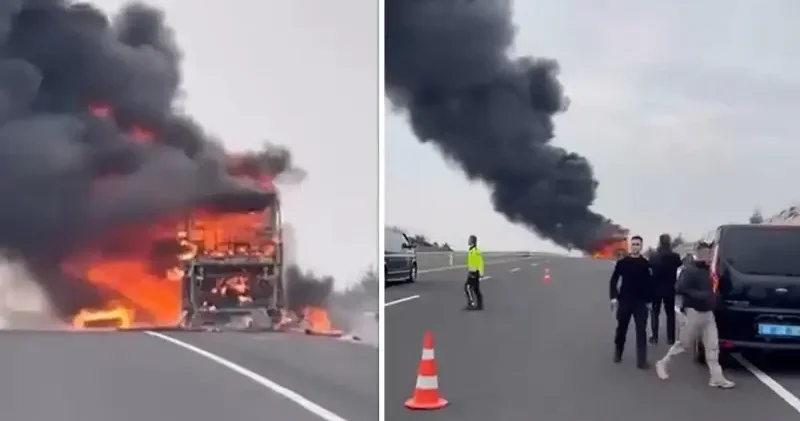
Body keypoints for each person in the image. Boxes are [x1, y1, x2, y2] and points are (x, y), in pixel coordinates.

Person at [654, 242, 735, 389]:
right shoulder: (690, 270)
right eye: (706, 253)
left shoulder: (711, 271)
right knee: (684, 344)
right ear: (699, 254)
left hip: (709, 313)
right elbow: (679, 288)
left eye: (710, 254)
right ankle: (663, 363)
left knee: (712, 346)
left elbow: (715, 289)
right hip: (694, 312)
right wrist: (701, 296)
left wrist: (717, 300)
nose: (709, 256)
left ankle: (717, 378)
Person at [609, 235, 654, 369]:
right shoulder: (623, 263)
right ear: (630, 246)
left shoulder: (646, 264)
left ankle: (642, 361)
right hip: (625, 301)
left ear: (641, 246)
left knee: (641, 331)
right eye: (633, 244)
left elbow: (650, 284)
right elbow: (614, 280)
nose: (635, 247)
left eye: (637, 244)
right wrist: (613, 297)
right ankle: (618, 351)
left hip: (640, 303)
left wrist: (649, 301)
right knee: (621, 329)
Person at [648, 234, 683, 345]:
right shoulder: (675, 256)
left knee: (655, 312)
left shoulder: (653, 256)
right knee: (670, 314)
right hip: (670, 288)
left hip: (655, 288)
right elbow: (679, 264)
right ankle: (671, 338)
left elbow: (649, 267)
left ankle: (654, 336)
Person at [464, 235, 485, 311]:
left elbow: (480, 262)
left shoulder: (475, 251)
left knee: (467, 287)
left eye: (469, 240)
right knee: (476, 289)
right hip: (472, 271)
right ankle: (480, 305)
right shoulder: (471, 250)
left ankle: (471, 303)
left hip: (474, 272)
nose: (468, 241)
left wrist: (481, 273)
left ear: (472, 241)